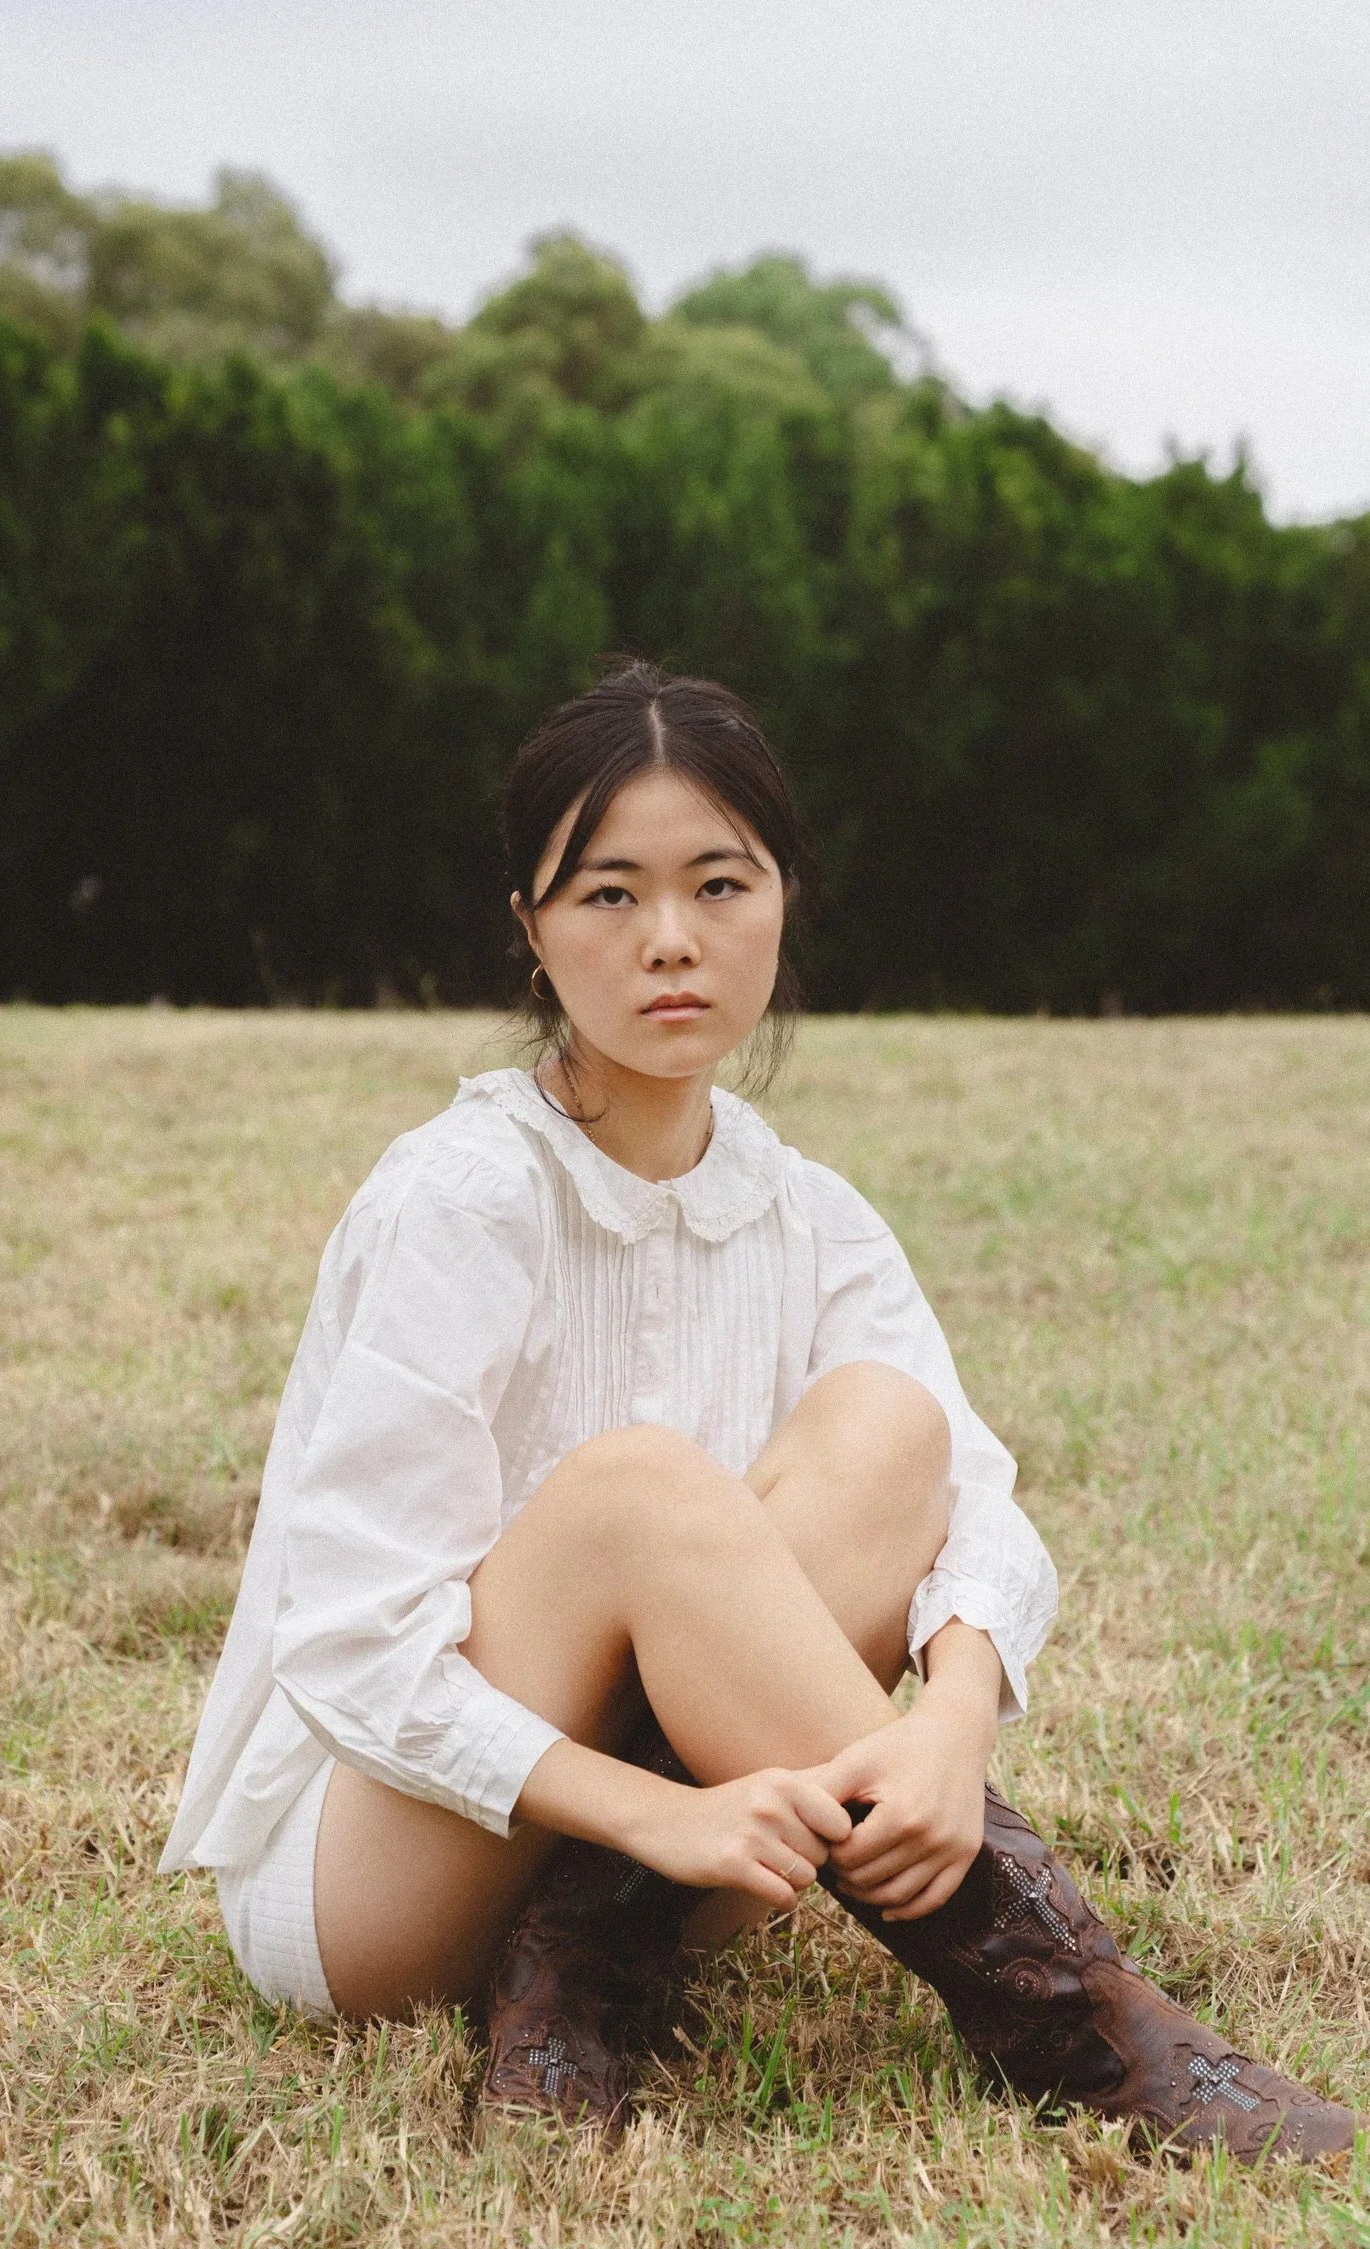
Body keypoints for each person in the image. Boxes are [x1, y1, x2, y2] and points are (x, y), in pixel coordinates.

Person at [158, 659, 1357, 2165]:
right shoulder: (462, 1196)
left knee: (889, 1426)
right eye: (608, 894)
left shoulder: (807, 1212)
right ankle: (1075, 2016)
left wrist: (953, 1726)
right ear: (529, 927)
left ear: (783, 896)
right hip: (383, 1871)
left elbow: (970, 1499)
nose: (671, 938)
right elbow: (344, 1642)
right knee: (640, 1492)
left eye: (719, 882)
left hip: (679, 1841)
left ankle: (585, 1963)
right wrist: (649, 1814)